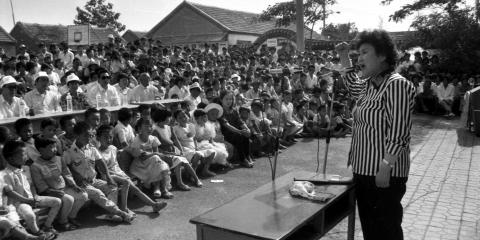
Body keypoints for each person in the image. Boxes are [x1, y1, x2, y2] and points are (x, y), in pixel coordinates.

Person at [336, 30, 416, 240]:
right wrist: (344, 56)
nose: (359, 58)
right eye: (358, 54)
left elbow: (399, 131)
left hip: (383, 174)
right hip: (363, 170)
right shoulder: (368, 85)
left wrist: (385, 166)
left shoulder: (396, 84)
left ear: (382, 55)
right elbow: (352, 83)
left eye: (364, 52)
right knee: (371, 230)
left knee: (386, 230)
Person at [63, 122, 135, 223]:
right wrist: (76, 176)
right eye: (85, 135)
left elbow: (100, 162)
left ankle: (112, 214)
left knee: (112, 187)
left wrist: (108, 177)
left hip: (93, 180)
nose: (89, 138)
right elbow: (66, 167)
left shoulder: (91, 148)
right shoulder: (69, 151)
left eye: (90, 135)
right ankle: (121, 213)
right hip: (81, 184)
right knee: (98, 193)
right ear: (77, 135)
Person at [96, 125, 168, 213]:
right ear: (98, 138)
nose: (108, 140)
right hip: (108, 176)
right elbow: (102, 169)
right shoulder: (97, 152)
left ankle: (153, 205)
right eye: (105, 137)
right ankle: (128, 207)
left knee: (135, 189)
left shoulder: (113, 148)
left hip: (119, 173)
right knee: (128, 184)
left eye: (110, 137)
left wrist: (123, 172)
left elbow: (117, 163)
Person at [1, 140, 60, 239]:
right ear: (11, 159)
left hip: (31, 198)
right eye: (23, 154)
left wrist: (34, 196)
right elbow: (10, 193)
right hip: (19, 202)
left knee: (57, 202)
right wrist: (27, 201)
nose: (26, 157)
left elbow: (31, 184)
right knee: (29, 214)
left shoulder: (26, 168)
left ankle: (47, 226)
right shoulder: (5, 174)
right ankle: (37, 233)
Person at [30, 137, 88, 231]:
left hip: (63, 188)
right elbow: (40, 185)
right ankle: (63, 221)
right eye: (51, 147)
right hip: (49, 192)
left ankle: (71, 217)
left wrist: (73, 185)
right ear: (41, 150)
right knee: (69, 199)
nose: (55, 149)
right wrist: (52, 191)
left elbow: (66, 174)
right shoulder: (35, 166)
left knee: (83, 195)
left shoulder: (59, 159)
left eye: (55, 146)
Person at [129, 118, 172, 199]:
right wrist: (155, 154)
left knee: (158, 162)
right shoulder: (137, 140)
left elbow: (157, 154)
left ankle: (160, 188)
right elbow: (143, 157)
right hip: (140, 165)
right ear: (139, 128)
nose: (149, 128)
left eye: (150, 126)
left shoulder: (153, 138)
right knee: (156, 159)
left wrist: (159, 155)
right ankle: (161, 189)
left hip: (153, 163)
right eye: (146, 126)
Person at [172, 110, 217, 177]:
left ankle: (205, 170)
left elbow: (194, 138)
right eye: (180, 118)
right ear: (176, 120)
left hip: (193, 147)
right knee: (198, 154)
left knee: (212, 152)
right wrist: (181, 151)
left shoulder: (191, 126)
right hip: (184, 148)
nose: (183, 119)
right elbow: (175, 141)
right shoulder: (175, 128)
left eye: (184, 116)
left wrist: (196, 147)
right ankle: (193, 174)